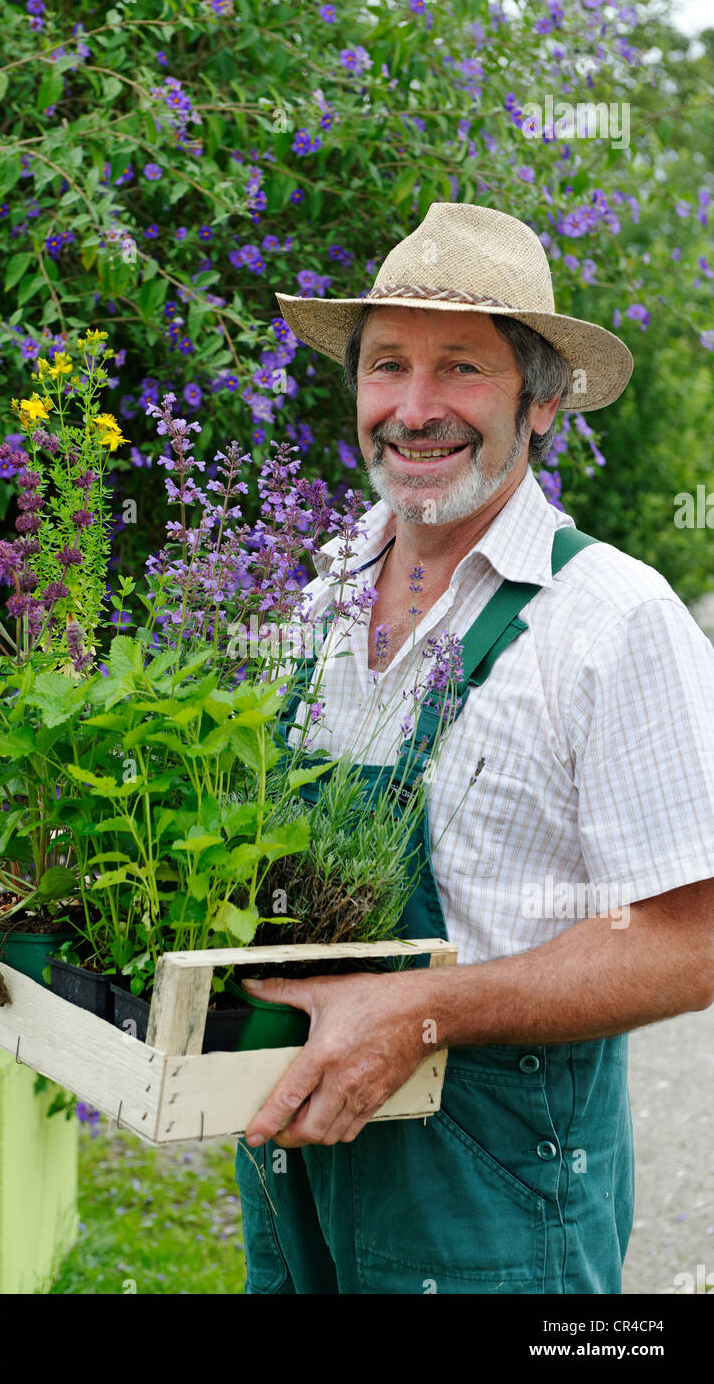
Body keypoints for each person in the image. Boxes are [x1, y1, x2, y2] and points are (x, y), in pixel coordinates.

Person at [232, 201, 714, 1295]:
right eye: (386, 366)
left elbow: (692, 945)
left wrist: (421, 1009)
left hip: (496, 1202)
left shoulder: (610, 622)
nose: (413, 408)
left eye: (461, 369)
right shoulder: (317, 596)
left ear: (539, 402)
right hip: (299, 1157)